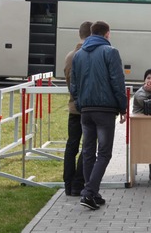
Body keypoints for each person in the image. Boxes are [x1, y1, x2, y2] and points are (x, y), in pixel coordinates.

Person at [71, 21, 127, 210]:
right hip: (105, 110)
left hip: (85, 110)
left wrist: (79, 103)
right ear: (107, 34)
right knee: (104, 153)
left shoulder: (78, 55)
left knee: (88, 152)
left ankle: (92, 192)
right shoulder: (110, 52)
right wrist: (122, 107)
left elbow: (74, 84)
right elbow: (117, 82)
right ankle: (88, 193)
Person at [63, 21, 92, 196]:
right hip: (87, 107)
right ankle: (78, 183)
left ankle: (67, 183)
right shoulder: (88, 55)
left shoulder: (70, 56)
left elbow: (68, 80)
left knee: (71, 145)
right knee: (87, 146)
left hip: (73, 107)